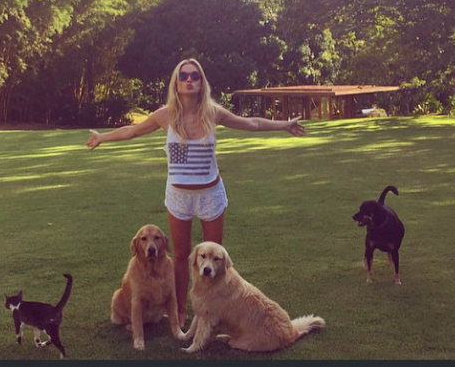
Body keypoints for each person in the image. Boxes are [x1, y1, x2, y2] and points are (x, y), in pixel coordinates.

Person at [86, 58, 305, 327]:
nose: (189, 80)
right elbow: (132, 131)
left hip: (210, 195)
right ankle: (180, 312)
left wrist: (284, 124)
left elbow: (252, 123)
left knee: (214, 257)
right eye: (183, 76)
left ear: (202, 83)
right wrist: (101, 137)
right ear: (176, 83)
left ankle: (214, 310)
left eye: (195, 76)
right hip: (179, 197)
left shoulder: (212, 113)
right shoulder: (165, 115)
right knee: (180, 255)